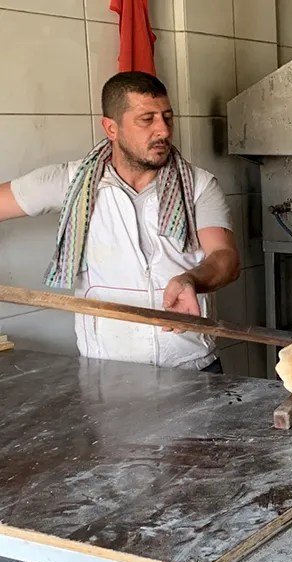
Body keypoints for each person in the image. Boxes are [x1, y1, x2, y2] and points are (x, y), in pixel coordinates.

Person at [0, 71, 240, 372]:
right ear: (111, 128)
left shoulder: (198, 185)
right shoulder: (71, 182)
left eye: (167, 117)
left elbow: (225, 258)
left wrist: (190, 279)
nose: (163, 130)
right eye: (147, 119)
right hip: (106, 373)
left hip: (190, 364)